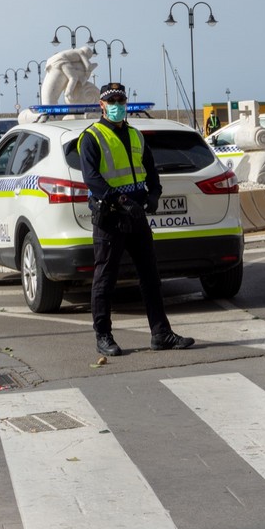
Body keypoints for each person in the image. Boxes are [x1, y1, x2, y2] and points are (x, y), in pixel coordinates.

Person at [79, 82, 194, 356]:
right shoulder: (91, 137)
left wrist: (154, 193)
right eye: (112, 101)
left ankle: (161, 333)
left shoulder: (136, 135)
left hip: (137, 216)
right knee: (105, 278)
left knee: (150, 276)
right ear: (102, 105)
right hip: (111, 217)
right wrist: (119, 201)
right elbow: (92, 179)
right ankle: (103, 336)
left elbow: (151, 170)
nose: (118, 105)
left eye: (121, 100)